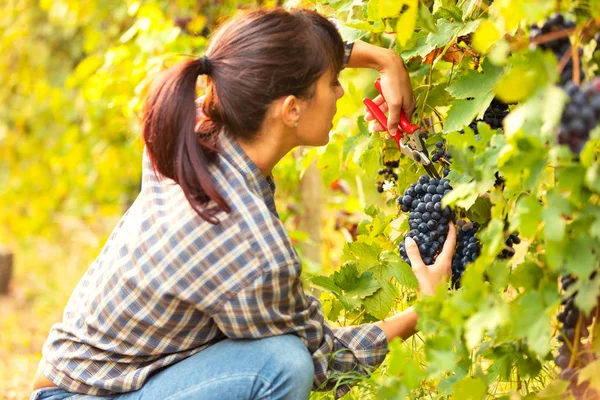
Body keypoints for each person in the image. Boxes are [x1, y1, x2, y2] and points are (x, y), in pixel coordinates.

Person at [31, 7, 456, 400]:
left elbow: (259, 57)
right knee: (285, 364)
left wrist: (386, 60)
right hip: (85, 395)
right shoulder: (250, 247)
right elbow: (328, 361)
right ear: (291, 110)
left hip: (76, 375)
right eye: (332, 83)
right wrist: (422, 309)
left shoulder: (195, 127)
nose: (342, 91)